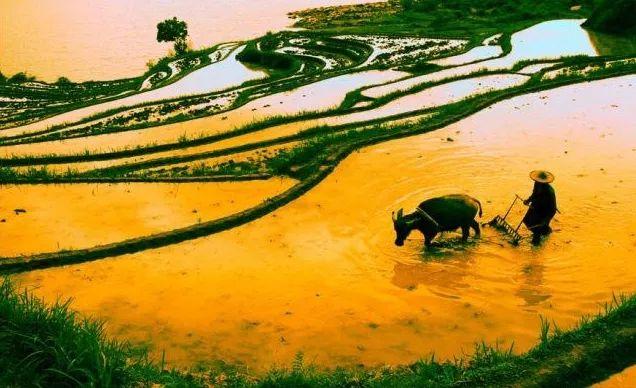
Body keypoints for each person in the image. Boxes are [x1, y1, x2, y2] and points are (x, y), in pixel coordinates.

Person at [523, 170, 557, 245]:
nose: (539, 183)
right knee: (527, 220)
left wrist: (546, 220)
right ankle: (546, 231)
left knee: (538, 228)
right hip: (536, 206)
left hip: (545, 211)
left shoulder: (550, 192)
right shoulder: (536, 184)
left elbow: (553, 209)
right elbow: (534, 194)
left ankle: (535, 249)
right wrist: (528, 200)